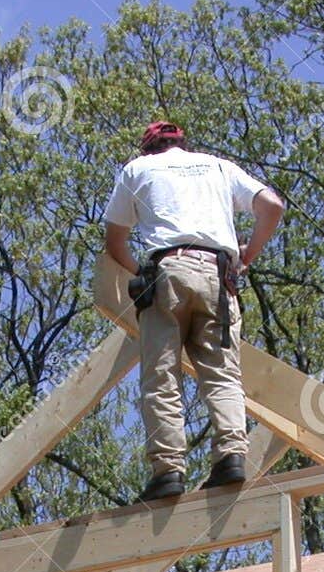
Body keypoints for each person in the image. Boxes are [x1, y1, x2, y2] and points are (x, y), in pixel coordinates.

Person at [103, 121, 285, 501]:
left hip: (167, 272)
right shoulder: (218, 167)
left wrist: (141, 273)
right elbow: (272, 205)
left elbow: (114, 240)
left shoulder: (138, 170)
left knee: (161, 376)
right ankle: (232, 456)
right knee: (221, 374)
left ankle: (168, 469)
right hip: (218, 277)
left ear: (148, 148)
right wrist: (247, 256)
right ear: (183, 143)